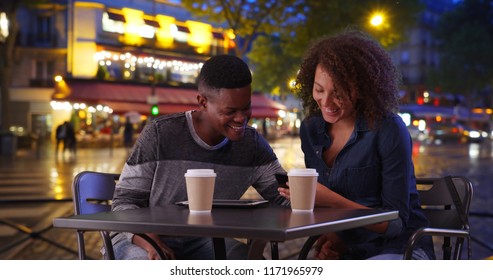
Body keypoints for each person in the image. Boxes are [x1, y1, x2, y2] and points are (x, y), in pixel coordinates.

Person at [110, 55, 288, 260]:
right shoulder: (161, 134)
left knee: (250, 262)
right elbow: (124, 202)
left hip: (204, 240)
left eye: (246, 107)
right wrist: (150, 241)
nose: (241, 118)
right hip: (138, 237)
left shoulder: (252, 145)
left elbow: (285, 198)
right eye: (230, 111)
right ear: (203, 102)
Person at [279, 30, 435, 260]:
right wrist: (335, 237)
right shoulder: (311, 129)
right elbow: (326, 209)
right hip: (351, 250)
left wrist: (329, 200)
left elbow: (396, 223)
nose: (326, 102)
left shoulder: (388, 129)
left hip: (403, 248)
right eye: (319, 90)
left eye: (338, 93)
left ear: (362, 88)